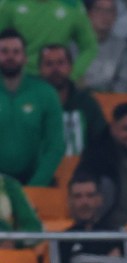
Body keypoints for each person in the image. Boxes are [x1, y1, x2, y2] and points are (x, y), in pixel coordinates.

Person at [0, 29, 66, 187]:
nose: (10, 57)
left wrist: (36, 185)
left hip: (34, 179)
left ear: (25, 57)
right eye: (4, 51)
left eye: (16, 52)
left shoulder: (45, 93)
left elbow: (55, 145)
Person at [48, 172, 127, 263]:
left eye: (90, 195)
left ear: (99, 199)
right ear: (69, 201)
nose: (85, 202)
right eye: (78, 196)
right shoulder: (60, 239)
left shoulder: (119, 233)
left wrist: (80, 260)